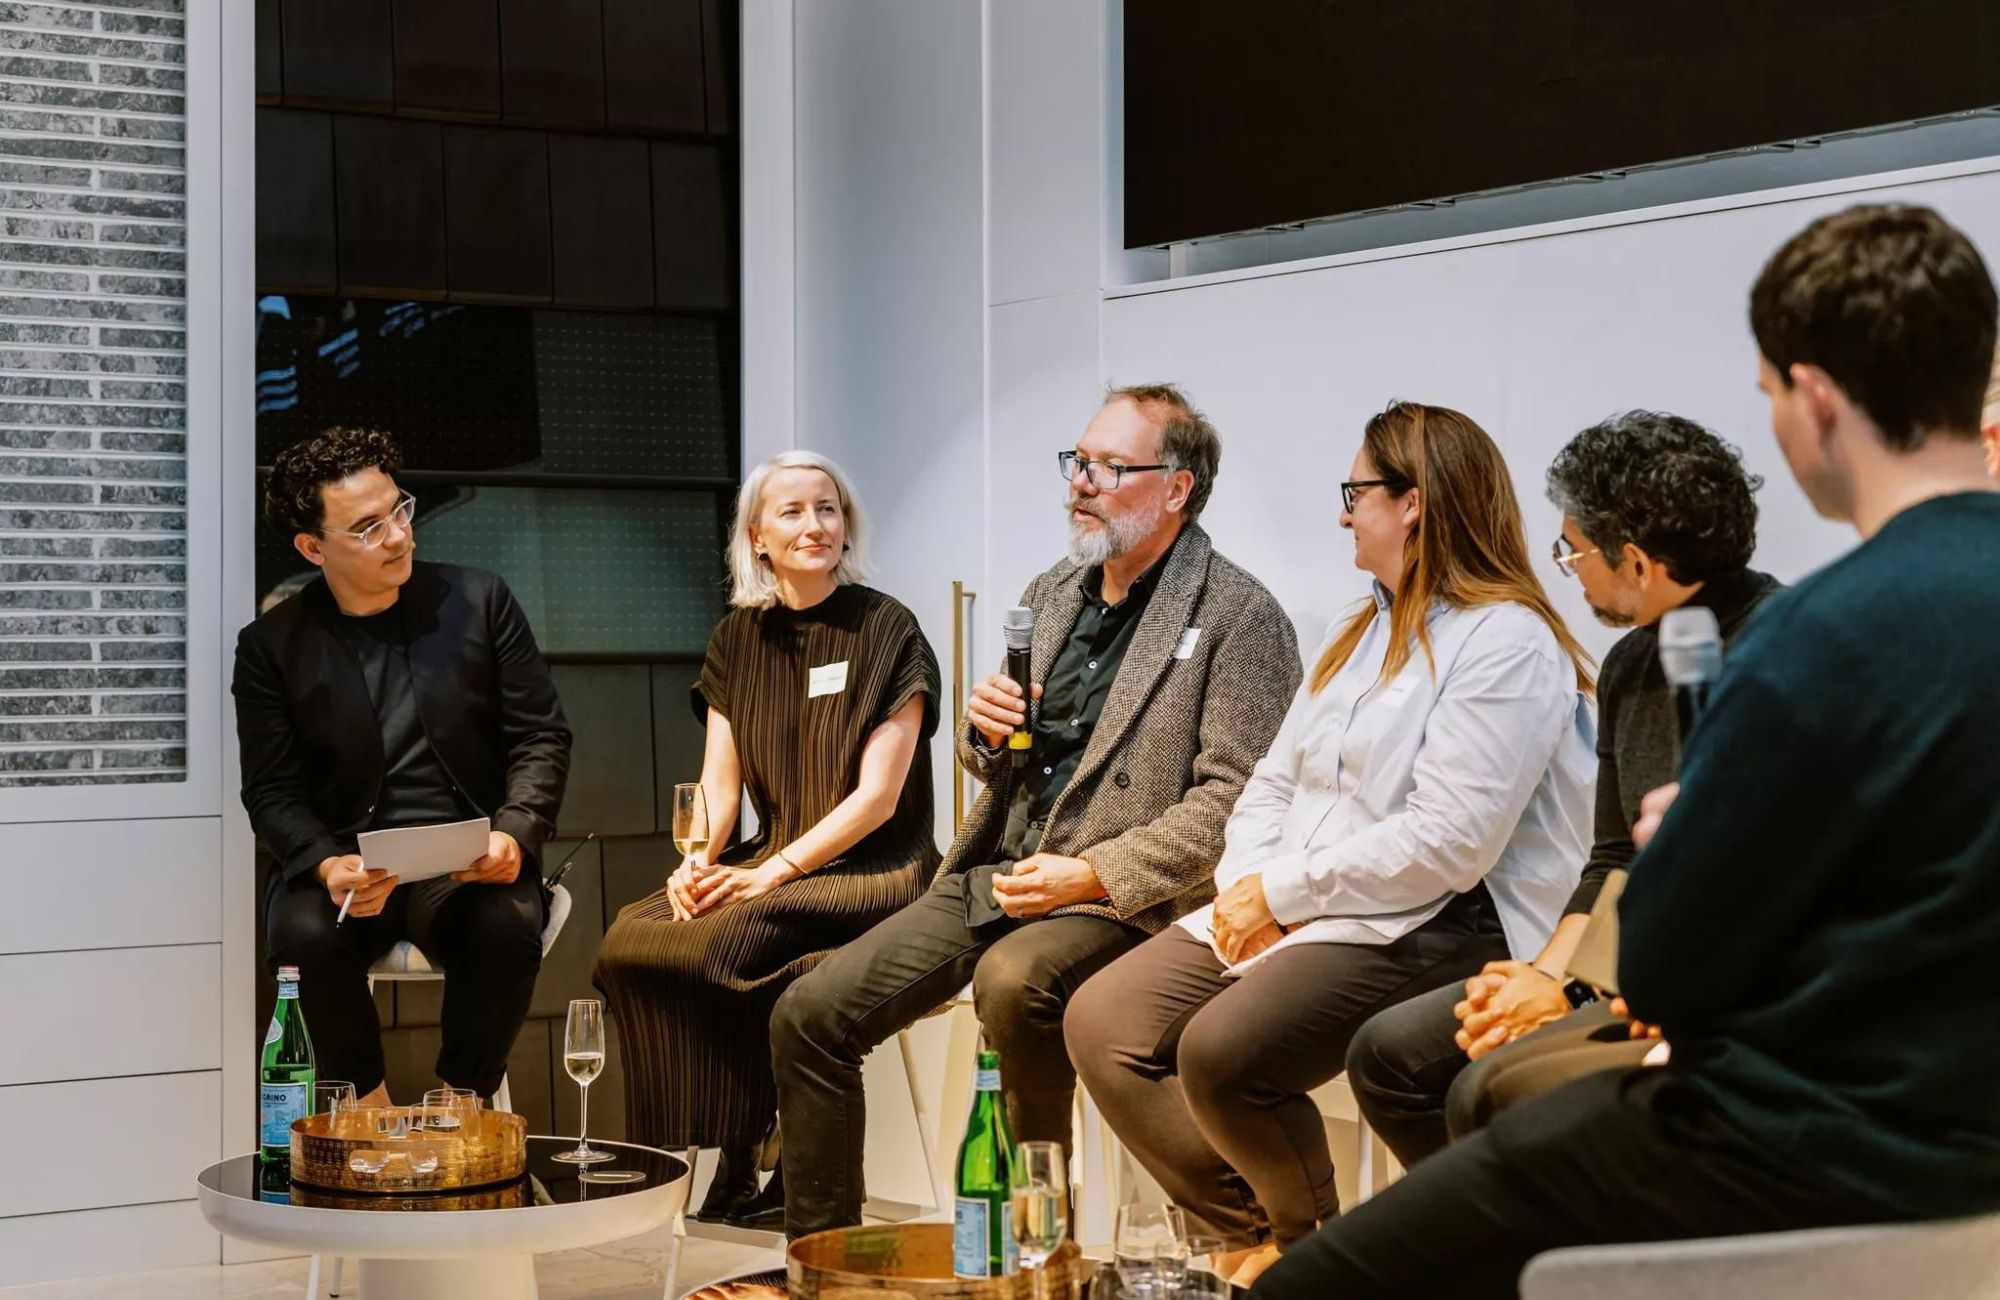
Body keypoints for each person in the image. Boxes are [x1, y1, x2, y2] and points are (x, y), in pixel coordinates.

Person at [1254, 203, 2000, 1300]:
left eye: (1767, 394)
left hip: (1819, 1145)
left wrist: (1686, 845)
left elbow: (1664, 968)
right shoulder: (1775, 644)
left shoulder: (1812, 641)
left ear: (1814, 400)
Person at [1067, 400, 1596, 1288]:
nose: (1344, 514)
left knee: (1222, 1055)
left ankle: (1309, 1254)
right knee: (1103, 1020)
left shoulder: (1506, 639)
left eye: (1357, 493)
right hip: (1303, 896)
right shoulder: (1361, 625)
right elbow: (1273, 780)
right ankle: (1247, 1236)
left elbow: (1448, 844)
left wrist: (1283, 897)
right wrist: (1248, 888)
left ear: (1413, 504)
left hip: (1442, 914)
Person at [770, 384, 1301, 1240]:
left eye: (1109, 468)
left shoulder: (1241, 617)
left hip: (1124, 898)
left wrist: (1092, 874)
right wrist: (985, 734)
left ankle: (1033, 1248)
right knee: (809, 1014)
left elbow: (1233, 803)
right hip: (1004, 871)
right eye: (1078, 462)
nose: (1080, 484)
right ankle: (823, 1260)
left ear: (1177, 488)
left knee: (1014, 982)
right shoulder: (1054, 591)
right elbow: (1009, 758)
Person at [1345, 411, 1779, 1164]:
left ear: (1636, 563)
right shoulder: (1631, 664)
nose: (1567, 569)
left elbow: (1762, 882)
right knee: (1389, 1055)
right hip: (1620, 961)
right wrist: (1545, 976)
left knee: (1488, 1087)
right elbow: (1612, 857)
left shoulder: (1787, 654)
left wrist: (1577, 992)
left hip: (1722, 982)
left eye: (1572, 550)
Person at [592, 452, 940, 1229]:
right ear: (756, 536)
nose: (815, 525)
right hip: (771, 865)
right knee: (633, 940)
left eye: (828, 509)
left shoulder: (888, 628)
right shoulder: (736, 639)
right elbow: (718, 787)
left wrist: (768, 873)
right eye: (793, 511)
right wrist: (696, 862)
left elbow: (879, 801)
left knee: (728, 942)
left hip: (875, 869)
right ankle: (733, 1142)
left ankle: (758, 1148)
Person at [235, 428, 570, 1106]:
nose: (398, 536)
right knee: (301, 937)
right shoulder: (272, 645)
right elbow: (270, 790)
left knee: (505, 924)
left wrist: (513, 832)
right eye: (367, 527)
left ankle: (461, 1106)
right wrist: (325, 864)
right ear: (313, 548)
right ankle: (367, 1110)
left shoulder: (479, 602)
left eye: (400, 510)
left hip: (464, 859)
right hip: (351, 864)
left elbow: (540, 736)